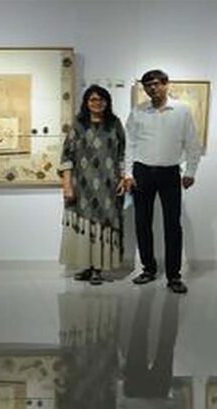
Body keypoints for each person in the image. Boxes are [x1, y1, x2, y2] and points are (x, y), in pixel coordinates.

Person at [121, 69, 201, 294]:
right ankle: (148, 269)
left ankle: (174, 276)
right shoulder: (138, 111)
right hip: (142, 173)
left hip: (170, 173)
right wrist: (128, 174)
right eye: (148, 85)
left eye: (156, 83)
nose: (152, 88)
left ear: (166, 84)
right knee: (142, 222)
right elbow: (130, 144)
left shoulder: (182, 111)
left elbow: (192, 143)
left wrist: (190, 171)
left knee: (172, 225)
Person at [59, 85, 125, 285]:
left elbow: (123, 154)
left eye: (101, 99)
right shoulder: (78, 125)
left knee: (104, 225)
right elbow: (67, 156)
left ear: (107, 102)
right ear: (86, 102)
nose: (97, 103)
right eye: (93, 99)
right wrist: (67, 185)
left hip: (108, 186)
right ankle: (87, 266)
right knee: (85, 226)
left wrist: (124, 178)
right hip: (82, 185)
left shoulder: (114, 124)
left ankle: (98, 268)